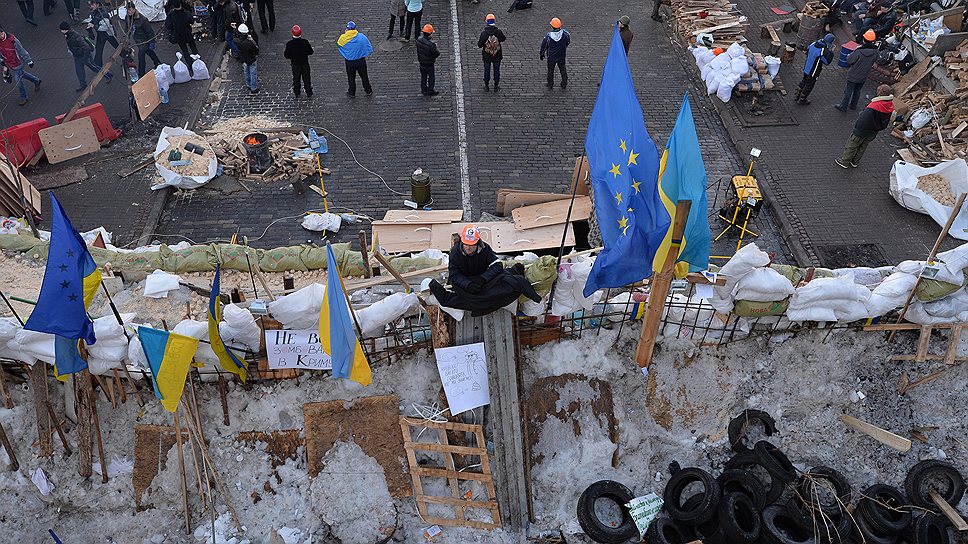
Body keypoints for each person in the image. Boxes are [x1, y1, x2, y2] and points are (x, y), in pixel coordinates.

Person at [428, 225, 541, 316]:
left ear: (478, 243)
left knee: (507, 282)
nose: (467, 248)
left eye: (471, 245)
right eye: (465, 244)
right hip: (465, 283)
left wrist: (483, 278)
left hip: (483, 280)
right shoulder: (455, 253)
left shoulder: (485, 249)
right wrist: (468, 284)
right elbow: (454, 275)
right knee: (465, 299)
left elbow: (497, 265)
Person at [836, 84, 894, 168]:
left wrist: (857, 127)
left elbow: (863, 118)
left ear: (880, 93)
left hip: (862, 130)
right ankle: (855, 161)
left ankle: (845, 161)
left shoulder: (874, 105)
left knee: (852, 145)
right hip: (873, 131)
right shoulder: (889, 105)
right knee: (863, 146)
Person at [61, 21, 113, 90]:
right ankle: (83, 85)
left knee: (94, 67)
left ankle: (108, 74)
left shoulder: (74, 36)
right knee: (79, 70)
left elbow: (86, 47)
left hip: (83, 56)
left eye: (61, 30)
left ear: (65, 29)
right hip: (78, 56)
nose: (61, 31)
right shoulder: (69, 35)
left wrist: (85, 57)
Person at [836, 30, 878, 111]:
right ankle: (853, 105)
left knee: (848, 90)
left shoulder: (859, 51)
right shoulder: (875, 51)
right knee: (857, 90)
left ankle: (843, 106)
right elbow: (874, 61)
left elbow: (849, 60)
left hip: (853, 74)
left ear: (864, 40)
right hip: (864, 75)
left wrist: (854, 51)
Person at [0, 27, 41, 106]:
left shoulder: (13, 40)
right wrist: (2, 62)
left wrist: (29, 61)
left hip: (18, 63)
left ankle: (24, 97)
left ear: (2, 32)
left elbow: (22, 51)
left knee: (18, 80)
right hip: (10, 63)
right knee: (22, 74)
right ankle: (37, 81)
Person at [794, 33, 834, 105]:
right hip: (813, 72)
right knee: (809, 85)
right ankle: (802, 99)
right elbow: (827, 62)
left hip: (806, 68)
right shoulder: (823, 51)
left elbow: (807, 50)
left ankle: (797, 94)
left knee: (804, 80)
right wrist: (831, 52)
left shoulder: (813, 44)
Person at [338, 21, 373, 97]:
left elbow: (339, 45)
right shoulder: (361, 37)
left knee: (351, 77)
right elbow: (369, 47)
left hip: (350, 62)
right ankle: (368, 90)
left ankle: (352, 92)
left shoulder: (343, 38)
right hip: (361, 61)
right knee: (364, 76)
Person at [126, 3, 161, 76]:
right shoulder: (128, 18)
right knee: (149, 51)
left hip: (144, 40)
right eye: (127, 10)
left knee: (141, 57)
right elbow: (127, 29)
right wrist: (126, 37)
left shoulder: (142, 19)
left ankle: (141, 74)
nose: (128, 11)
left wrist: (152, 41)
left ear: (134, 9)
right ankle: (157, 62)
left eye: (130, 9)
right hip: (137, 41)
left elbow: (150, 31)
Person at [165, 0, 198, 76]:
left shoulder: (171, 15)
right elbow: (192, 21)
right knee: (193, 48)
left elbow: (168, 26)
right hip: (188, 34)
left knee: (185, 50)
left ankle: (190, 66)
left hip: (179, 36)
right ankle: (197, 61)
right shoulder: (186, 14)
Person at [477, 13, 505, 92]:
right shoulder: (498, 32)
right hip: (497, 55)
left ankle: (486, 86)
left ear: (486, 22)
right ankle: (496, 86)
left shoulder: (484, 33)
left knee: (487, 70)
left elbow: (479, 45)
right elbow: (503, 39)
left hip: (487, 55)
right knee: (496, 70)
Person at [540, 17, 570, 90]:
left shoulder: (548, 36)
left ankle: (550, 84)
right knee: (563, 69)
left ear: (552, 26)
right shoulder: (565, 34)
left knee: (550, 70)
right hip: (561, 56)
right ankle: (564, 83)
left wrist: (542, 54)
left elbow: (544, 46)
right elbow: (568, 41)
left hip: (551, 57)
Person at [284, 24, 313, 97]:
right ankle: (308, 91)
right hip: (305, 63)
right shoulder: (305, 42)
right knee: (306, 78)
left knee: (296, 78)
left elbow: (286, 55)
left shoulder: (290, 44)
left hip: (295, 64)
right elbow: (311, 52)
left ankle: (297, 92)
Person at [86, 0, 118, 67]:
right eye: (91, 5)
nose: (91, 6)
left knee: (117, 47)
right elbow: (94, 20)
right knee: (98, 51)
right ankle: (97, 66)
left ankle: (128, 59)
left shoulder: (104, 14)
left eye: (93, 4)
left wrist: (94, 26)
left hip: (109, 34)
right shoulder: (94, 13)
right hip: (101, 35)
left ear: (98, 5)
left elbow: (105, 27)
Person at [416, 23, 439, 96]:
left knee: (423, 77)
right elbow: (436, 54)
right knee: (431, 77)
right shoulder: (431, 45)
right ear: (430, 34)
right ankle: (431, 90)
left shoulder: (419, 40)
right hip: (429, 64)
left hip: (422, 63)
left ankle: (424, 89)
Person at [236, 23, 259, 93]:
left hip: (244, 59)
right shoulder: (249, 43)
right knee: (253, 73)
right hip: (251, 59)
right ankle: (254, 87)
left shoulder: (238, 42)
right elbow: (256, 50)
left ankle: (248, 84)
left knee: (246, 72)